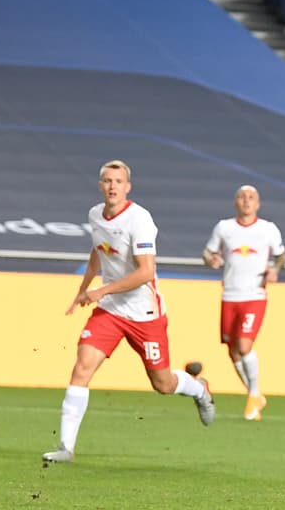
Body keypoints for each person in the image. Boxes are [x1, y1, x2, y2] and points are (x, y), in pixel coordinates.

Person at [42, 159, 214, 463]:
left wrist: (101, 290)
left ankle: (198, 389)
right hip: (110, 311)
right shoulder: (95, 215)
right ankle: (66, 448)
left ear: (127, 187)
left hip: (144, 313)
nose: (112, 186)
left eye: (118, 182)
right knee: (82, 366)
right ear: (100, 185)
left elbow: (146, 272)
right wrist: (84, 289)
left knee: (162, 384)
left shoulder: (140, 220)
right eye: (107, 181)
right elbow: (98, 252)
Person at [202, 184, 285, 421]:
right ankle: (255, 395)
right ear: (235, 202)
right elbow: (207, 253)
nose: (247, 201)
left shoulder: (268, 229)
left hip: (254, 295)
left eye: (251, 197)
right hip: (230, 294)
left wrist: (274, 270)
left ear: (257, 204)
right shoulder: (224, 228)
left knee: (244, 345)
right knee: (233, 352)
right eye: (242, 197)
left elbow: (281, 256)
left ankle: (254, 394)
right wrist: (212, 259)